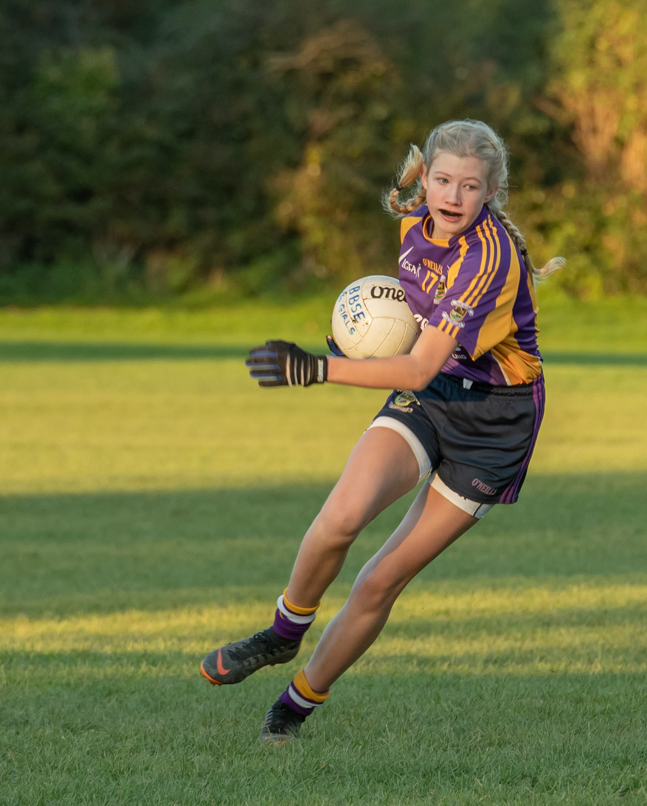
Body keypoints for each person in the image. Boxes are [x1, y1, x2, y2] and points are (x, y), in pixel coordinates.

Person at [199, 119, 562, 742]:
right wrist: (355, 336)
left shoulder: (487, 258)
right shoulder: (415, 224)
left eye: (470, 187)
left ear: (492, 192)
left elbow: (418, 363)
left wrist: (318, 368)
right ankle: (282, 633)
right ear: (425, 179)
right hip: (435, 393)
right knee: (339, 518)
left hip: (494, 424)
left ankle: (293, 707)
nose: (452, 197)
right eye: (443, 180)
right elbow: (412, 330)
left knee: (380, 579)